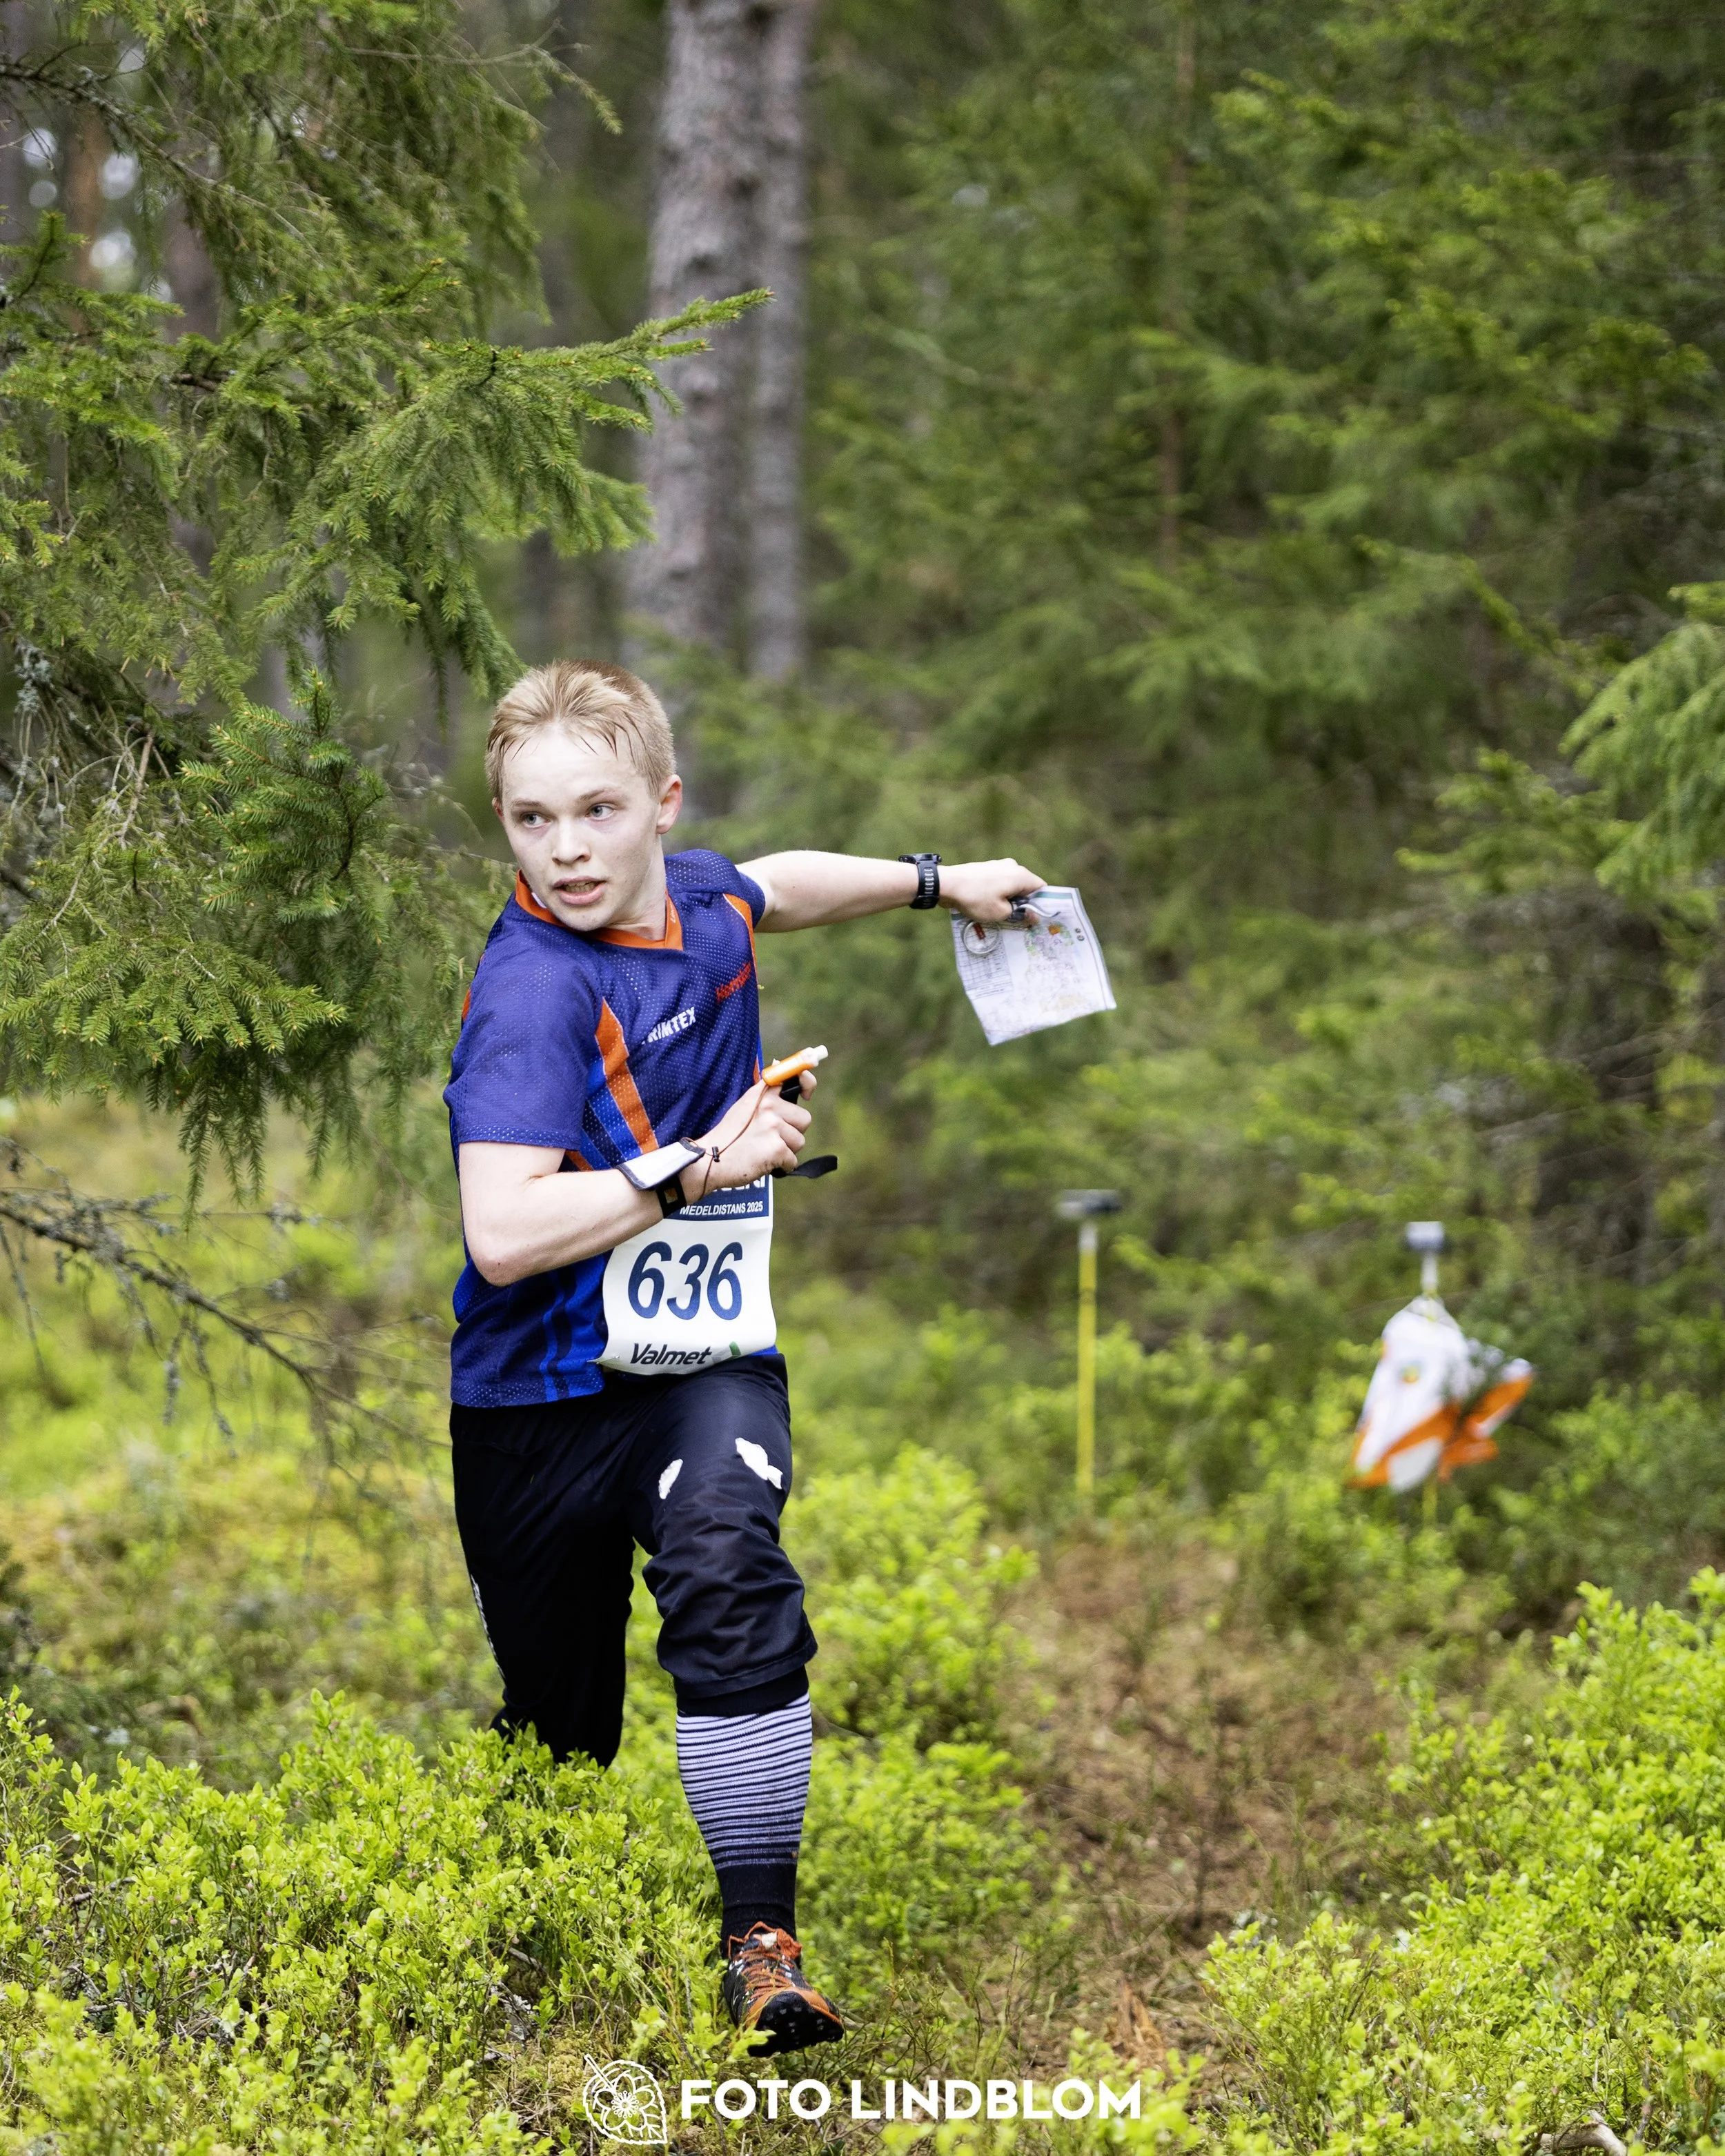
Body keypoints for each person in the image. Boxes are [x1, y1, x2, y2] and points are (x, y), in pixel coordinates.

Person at [445, 660, 1043, 2055]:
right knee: (557, 1725)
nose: (567, 849)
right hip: (535, 1393)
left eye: (595, 810)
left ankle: (760, 1945)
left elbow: (775, 880)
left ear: (661, 804)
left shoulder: (698, 899)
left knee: (729, 1567)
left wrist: (934, 881)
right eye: (530, 821)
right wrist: (689, 1172)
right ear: (505, 825)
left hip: (701, 1353)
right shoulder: (533, 993)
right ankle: (505, 1939)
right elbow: (499, 1232)